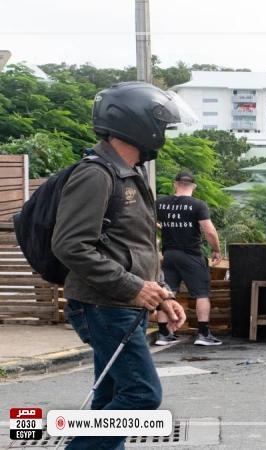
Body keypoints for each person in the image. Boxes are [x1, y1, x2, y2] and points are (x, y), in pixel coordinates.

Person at [53, 82, 189, 450]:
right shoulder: (96, 174)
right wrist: (133, 287)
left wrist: (161, 295)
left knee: (108, 400)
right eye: (161, 124)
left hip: (121, 303)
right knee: (142, 396)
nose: (163, 133)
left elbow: (136, 245)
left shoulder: (128, 174)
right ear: (138, 123)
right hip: (104, 304)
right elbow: (70, 244)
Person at [155, 170, 223, 346]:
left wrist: (167, 229)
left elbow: (146, 221)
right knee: (201, 293)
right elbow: (209, 230)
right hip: (191, 254)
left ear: (175, 184)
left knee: (167, 292)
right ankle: (203, 333)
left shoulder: (160, 203)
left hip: (168, 255)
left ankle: (163, 333)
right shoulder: (198, 205)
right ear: (193, 186)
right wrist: (216, 250)